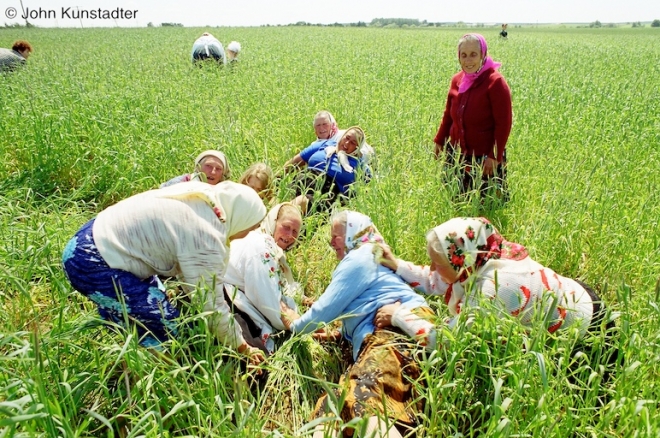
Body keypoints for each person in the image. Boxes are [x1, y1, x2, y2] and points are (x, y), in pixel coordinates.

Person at [61, 181, 267, 364]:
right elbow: (210, 304)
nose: (249, 233)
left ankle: (129, 342)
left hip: (89, 236)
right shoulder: (205, 235)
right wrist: (242, 347)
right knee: (167, 326)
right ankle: (148, 377)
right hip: (91, 261)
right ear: (243, 216)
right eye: (253, 226)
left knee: (149, 306)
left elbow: (192, 280)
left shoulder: (204, 200)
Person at [375, 217, 616, 362]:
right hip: (570, 295)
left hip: (587, 330)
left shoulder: (496, 288)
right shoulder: (480, 256)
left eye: (437, 263)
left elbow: (445, 340)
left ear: (460, 262)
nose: (431, 267)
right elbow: (435, 279)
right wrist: (397, 264)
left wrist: (398, 316)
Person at [285, 211, 435, 438]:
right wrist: (339, 335)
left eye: (337, 235)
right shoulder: (369, 257)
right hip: (391, 334)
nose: (331, 241)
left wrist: (293, 324)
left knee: (365, 397)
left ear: (355, 232)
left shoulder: (361, 256)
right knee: (332, 405)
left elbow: (324, 310)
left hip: (398, 330)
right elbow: (363, 308)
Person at [434, 33, 512, 199]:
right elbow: (449, 115)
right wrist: (440, 141)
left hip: (485, 158)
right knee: (455, 200)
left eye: (473, 54)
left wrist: (494, 156)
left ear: (483, 54)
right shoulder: (457, 80)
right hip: (456, 155)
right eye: (464, 55)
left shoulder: (495, 82)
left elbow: (503, 124)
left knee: (486, 204)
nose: (468, 60)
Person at [223, 202, 302, 354]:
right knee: (257, 359)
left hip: (235, 295)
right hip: (226, 298)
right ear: (273, 222)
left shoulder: (271, 247)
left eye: (295, 231)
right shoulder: (260, 246)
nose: (290, 235)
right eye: (286, 227)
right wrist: (296, 321)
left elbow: (279, 286)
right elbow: (266, 298)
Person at [285, 127, 371, 215]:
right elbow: (297, 160)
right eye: (347, 138)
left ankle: (285, 215)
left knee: (302, 201)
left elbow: (369, 189)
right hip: (305, 179)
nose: (347, 143)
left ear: (357, 148)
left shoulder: (360, 165)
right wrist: (277, 177)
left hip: (328, 191)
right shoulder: (326, 144)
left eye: (353, 143)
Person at [161, 150, 230, 188]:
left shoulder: (224, 192)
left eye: (218, 169)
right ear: (198, 167)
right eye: (208, 166)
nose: (213, 172)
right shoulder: (180, 183)